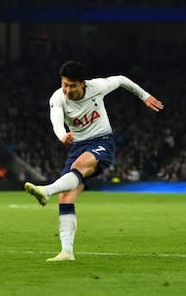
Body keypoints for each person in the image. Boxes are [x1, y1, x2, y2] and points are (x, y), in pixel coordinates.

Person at [24, 61, 164, 262]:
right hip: (77, 146)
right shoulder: (57, 98)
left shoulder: (97, 87)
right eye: (64, 84)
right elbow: (56, 120)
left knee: (78, 166)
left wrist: (145, 96)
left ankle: (46, 191)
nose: (68, 90)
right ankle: (67, 252)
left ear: (83, 83)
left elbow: (121, 80)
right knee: (66, 199)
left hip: (102, 142)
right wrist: (62, 135)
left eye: (72, 86)